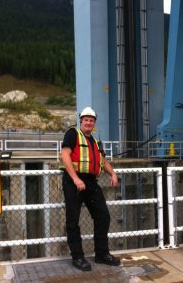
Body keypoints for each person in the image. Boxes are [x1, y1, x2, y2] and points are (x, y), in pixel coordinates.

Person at [60, 106, 121, 272]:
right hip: (74, 182)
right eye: (86, 120)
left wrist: (113, 173)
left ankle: (101, 254)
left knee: (103, 217)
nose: (88, 122)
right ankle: (78, 257)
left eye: (91, 120)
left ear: (94, 123)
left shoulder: (94, 141)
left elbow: (103, 161)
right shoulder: (72, 134)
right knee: (73, 221)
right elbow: (65, 155)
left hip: (91, 182)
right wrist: (75, 178)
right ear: (81, 121)